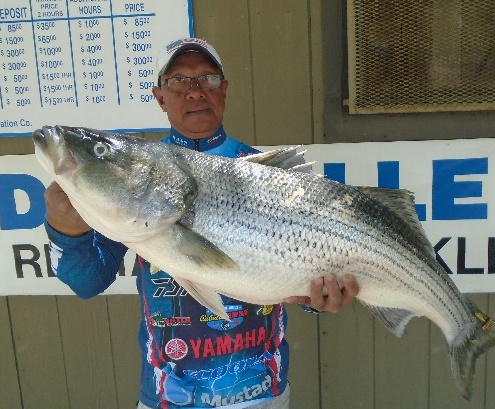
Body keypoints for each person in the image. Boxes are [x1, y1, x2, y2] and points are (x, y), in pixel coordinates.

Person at [43, 37, 359, 409]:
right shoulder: (135, 178)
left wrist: (319, 298)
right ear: (160, 96)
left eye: (206, 78)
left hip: (262, 395)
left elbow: (301, 274)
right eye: (178, 80)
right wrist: (67, 230)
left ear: (224, 89)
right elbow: (87, 281)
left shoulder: (270, 175)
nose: (194, 91)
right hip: (167, 397)